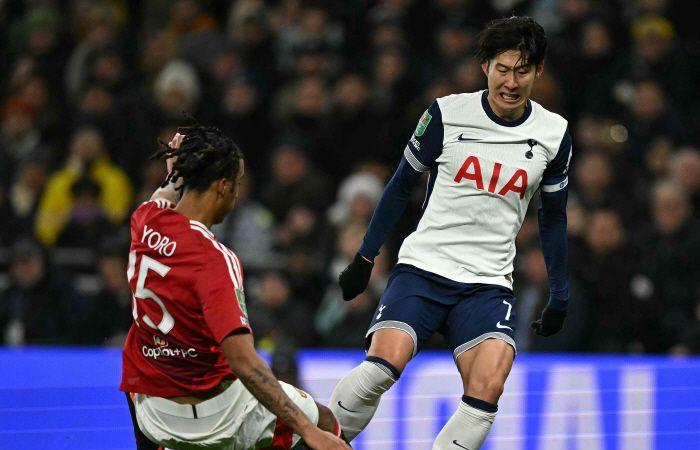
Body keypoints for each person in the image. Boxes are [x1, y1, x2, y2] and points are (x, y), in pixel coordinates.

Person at [329, 16, 572, 449]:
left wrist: (560, 290)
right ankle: (319, 441)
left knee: (488, 390)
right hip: (425, 268)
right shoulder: (446, 113)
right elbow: (400, 186)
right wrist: (365, 257)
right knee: (380, 368)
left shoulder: (555, 134)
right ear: (485, 67)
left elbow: (552, 217)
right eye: (502, 68)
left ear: (537, 72)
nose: (511, 82)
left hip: (487, 284)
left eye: (522, 70)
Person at [119, 126, 350, 450]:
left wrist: (176, 172)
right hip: (216, 417)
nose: (238, 194)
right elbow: (245, 363)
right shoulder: (215, 260)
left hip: (152, 411)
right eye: (237, 184)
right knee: (323, 422)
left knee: (136, 350)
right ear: (222, 186)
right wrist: (308, 431)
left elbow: (164, 194)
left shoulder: (146, 220)